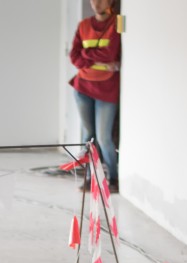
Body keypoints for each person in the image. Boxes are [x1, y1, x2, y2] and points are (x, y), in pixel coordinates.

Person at [69, 0, 121, 191]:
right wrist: (90, 55)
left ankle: (113, 179)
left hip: (107, 87)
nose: (96, 3)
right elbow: (74, 57)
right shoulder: (83, 25)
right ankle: (89, 178)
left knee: (104, 137)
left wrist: (85, 54)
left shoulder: (118, 22)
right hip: (82, 87)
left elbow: (110, 53)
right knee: (88, 136)